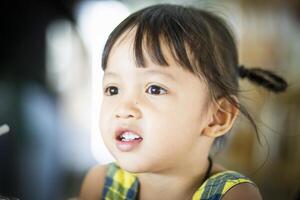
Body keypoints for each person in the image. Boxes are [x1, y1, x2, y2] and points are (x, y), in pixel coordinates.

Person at [80, 4, 287, 200]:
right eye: (113, 89)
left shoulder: (234, 195)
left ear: (217, 117)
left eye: (154, 89)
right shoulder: (101, 185)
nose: (123, 109)